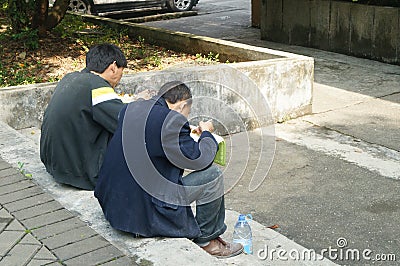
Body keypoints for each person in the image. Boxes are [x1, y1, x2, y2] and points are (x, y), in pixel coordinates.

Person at [94, 81, 243, 258]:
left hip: (115, 205)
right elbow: (201, 160)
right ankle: (207, 241)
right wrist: (206, 134)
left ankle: (210, 237)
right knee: (212, 176)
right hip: (143, 215)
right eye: (187, 113)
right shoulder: (172, 120)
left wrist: (184, 133)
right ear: (182, 105)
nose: (185, 119)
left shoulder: (131, 108)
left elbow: (152, 139)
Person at [40, 43, 128, 190]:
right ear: (113, 67)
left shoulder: (70, 78)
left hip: (54, 166)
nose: (120, 77)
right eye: (121, 70)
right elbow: (124, 121)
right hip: (82, 174)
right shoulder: (98, 86)